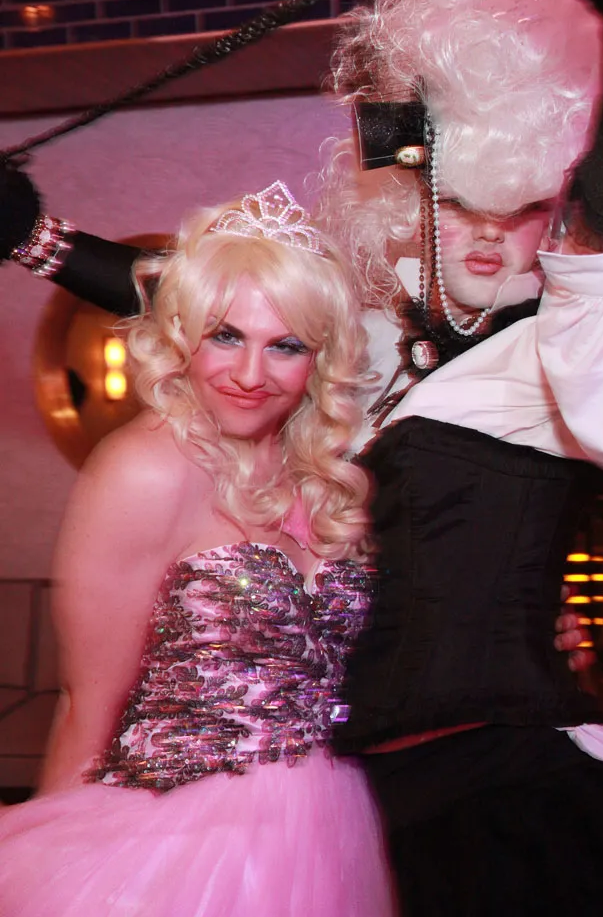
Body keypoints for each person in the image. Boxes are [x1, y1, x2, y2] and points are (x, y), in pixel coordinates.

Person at [317, 0, 603, 915]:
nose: (485, 236)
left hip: (499, 788)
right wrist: (38, 240)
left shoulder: (557, 347)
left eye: (517, 212)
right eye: (461, 206)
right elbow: (228, 318)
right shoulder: (382, 353)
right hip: (355, 792)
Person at [0, 181, 395, 917]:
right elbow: (86, 703)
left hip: (321, 842)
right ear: (182, 336)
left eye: (285, 346)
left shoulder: (332, 483)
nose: (250, 375)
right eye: (226, 336)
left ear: (321, 360)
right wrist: (52, 874)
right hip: (170, 850)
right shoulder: (147, 469)